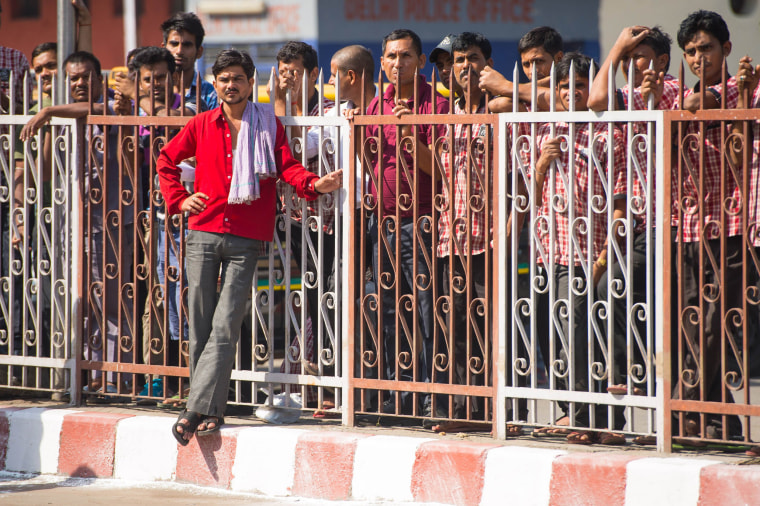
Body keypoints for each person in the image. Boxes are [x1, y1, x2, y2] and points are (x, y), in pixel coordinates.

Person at [157, 49, 342, 445]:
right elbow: (166, 160)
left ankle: (193, 409)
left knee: (225, 324)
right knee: (201, 324)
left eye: (237, 78)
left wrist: (313, 183)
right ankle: (212, 411)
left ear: (249, 81)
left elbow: (285, 165)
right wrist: (178, 199)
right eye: (223, 79)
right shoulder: (202, 124)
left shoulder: (266, 123)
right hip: (203, 231)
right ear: (215, 84)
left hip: (246, 236)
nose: (230, 85)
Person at [524, 52, 627, 444]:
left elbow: (620, 200)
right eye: (563, 86)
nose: (570, 93)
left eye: (578, 85)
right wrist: (539, 168)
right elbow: (526, 200)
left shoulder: (608, 133)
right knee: (559, 338)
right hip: (548, 252)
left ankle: (593, 420)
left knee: (585, 337)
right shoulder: (541, 131)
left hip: (589, 253)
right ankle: (582, 415)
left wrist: (604, 255)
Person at [20, 51, 135, 395]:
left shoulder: (111, 108)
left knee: (111, 300)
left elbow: (96, 111)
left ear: (99, 79)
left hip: (112, 220)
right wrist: (45, 128)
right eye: (73, 78)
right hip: (76, 223)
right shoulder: (63, 121)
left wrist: (48, 110)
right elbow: (42, 174)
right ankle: (92, 371)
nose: (80, 83)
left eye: (86, 77)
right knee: (83, 300)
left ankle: (115, 376)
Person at [587, 26, 676, 404]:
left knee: (625, 289)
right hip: (639, 220)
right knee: (620, 290)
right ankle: (635, 372)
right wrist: (618, 48)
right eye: (626, 58)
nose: (629, 64)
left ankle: (639, 372)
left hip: (670, 219)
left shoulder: (671, 89)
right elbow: (595, 101)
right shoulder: (627, 100)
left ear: (662, 61)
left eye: (636, 56)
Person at [365, 29, 448, 417]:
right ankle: (395, 394)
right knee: (386, 312)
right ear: (382, 62)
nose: (398, 63)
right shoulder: (374, 106)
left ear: (419, 61)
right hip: (381, 225)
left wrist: (413, 133)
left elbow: (443, 172)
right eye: (391, 56)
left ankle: (431, 396)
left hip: (423, 224)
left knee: (428, 312)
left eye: (406, 56)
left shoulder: (437, 105)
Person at [669, 10, 743, 441]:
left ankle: (688, 406)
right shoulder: (677, 94)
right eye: (691, 51)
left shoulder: (744, 90)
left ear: (726, 49)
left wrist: (687, 104)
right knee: (691, 322)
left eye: (707, 48)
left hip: (734, 223)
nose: (699, 58)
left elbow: (703, 103)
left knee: (718, 322)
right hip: (687, 226)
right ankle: (718, 420)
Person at [270, 41, 336, 402]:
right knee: (308, 297)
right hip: (292, 218)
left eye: (293, 72)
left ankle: (326, 376)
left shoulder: (329, 110)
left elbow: (297, 150)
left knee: (326, 295)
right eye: (282, 72)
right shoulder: (271, 112)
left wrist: (285, 106)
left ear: (312, 73)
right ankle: (310, 376)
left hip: (327, 220)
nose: (287, 79)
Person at [480, 26, 563, 112]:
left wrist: (504, 86)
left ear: (559, 58)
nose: (532, 71)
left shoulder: (573, 85)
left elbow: (566, 102)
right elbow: (497, 104)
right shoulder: (523, 95)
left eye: (538, 61)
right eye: (526, 64)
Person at [160, 11, 218, 110]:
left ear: (199, 52)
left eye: (187, 45)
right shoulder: (152, 89)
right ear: (163, 48)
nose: (179, 51)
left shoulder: (210, 94)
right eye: (174, 44)